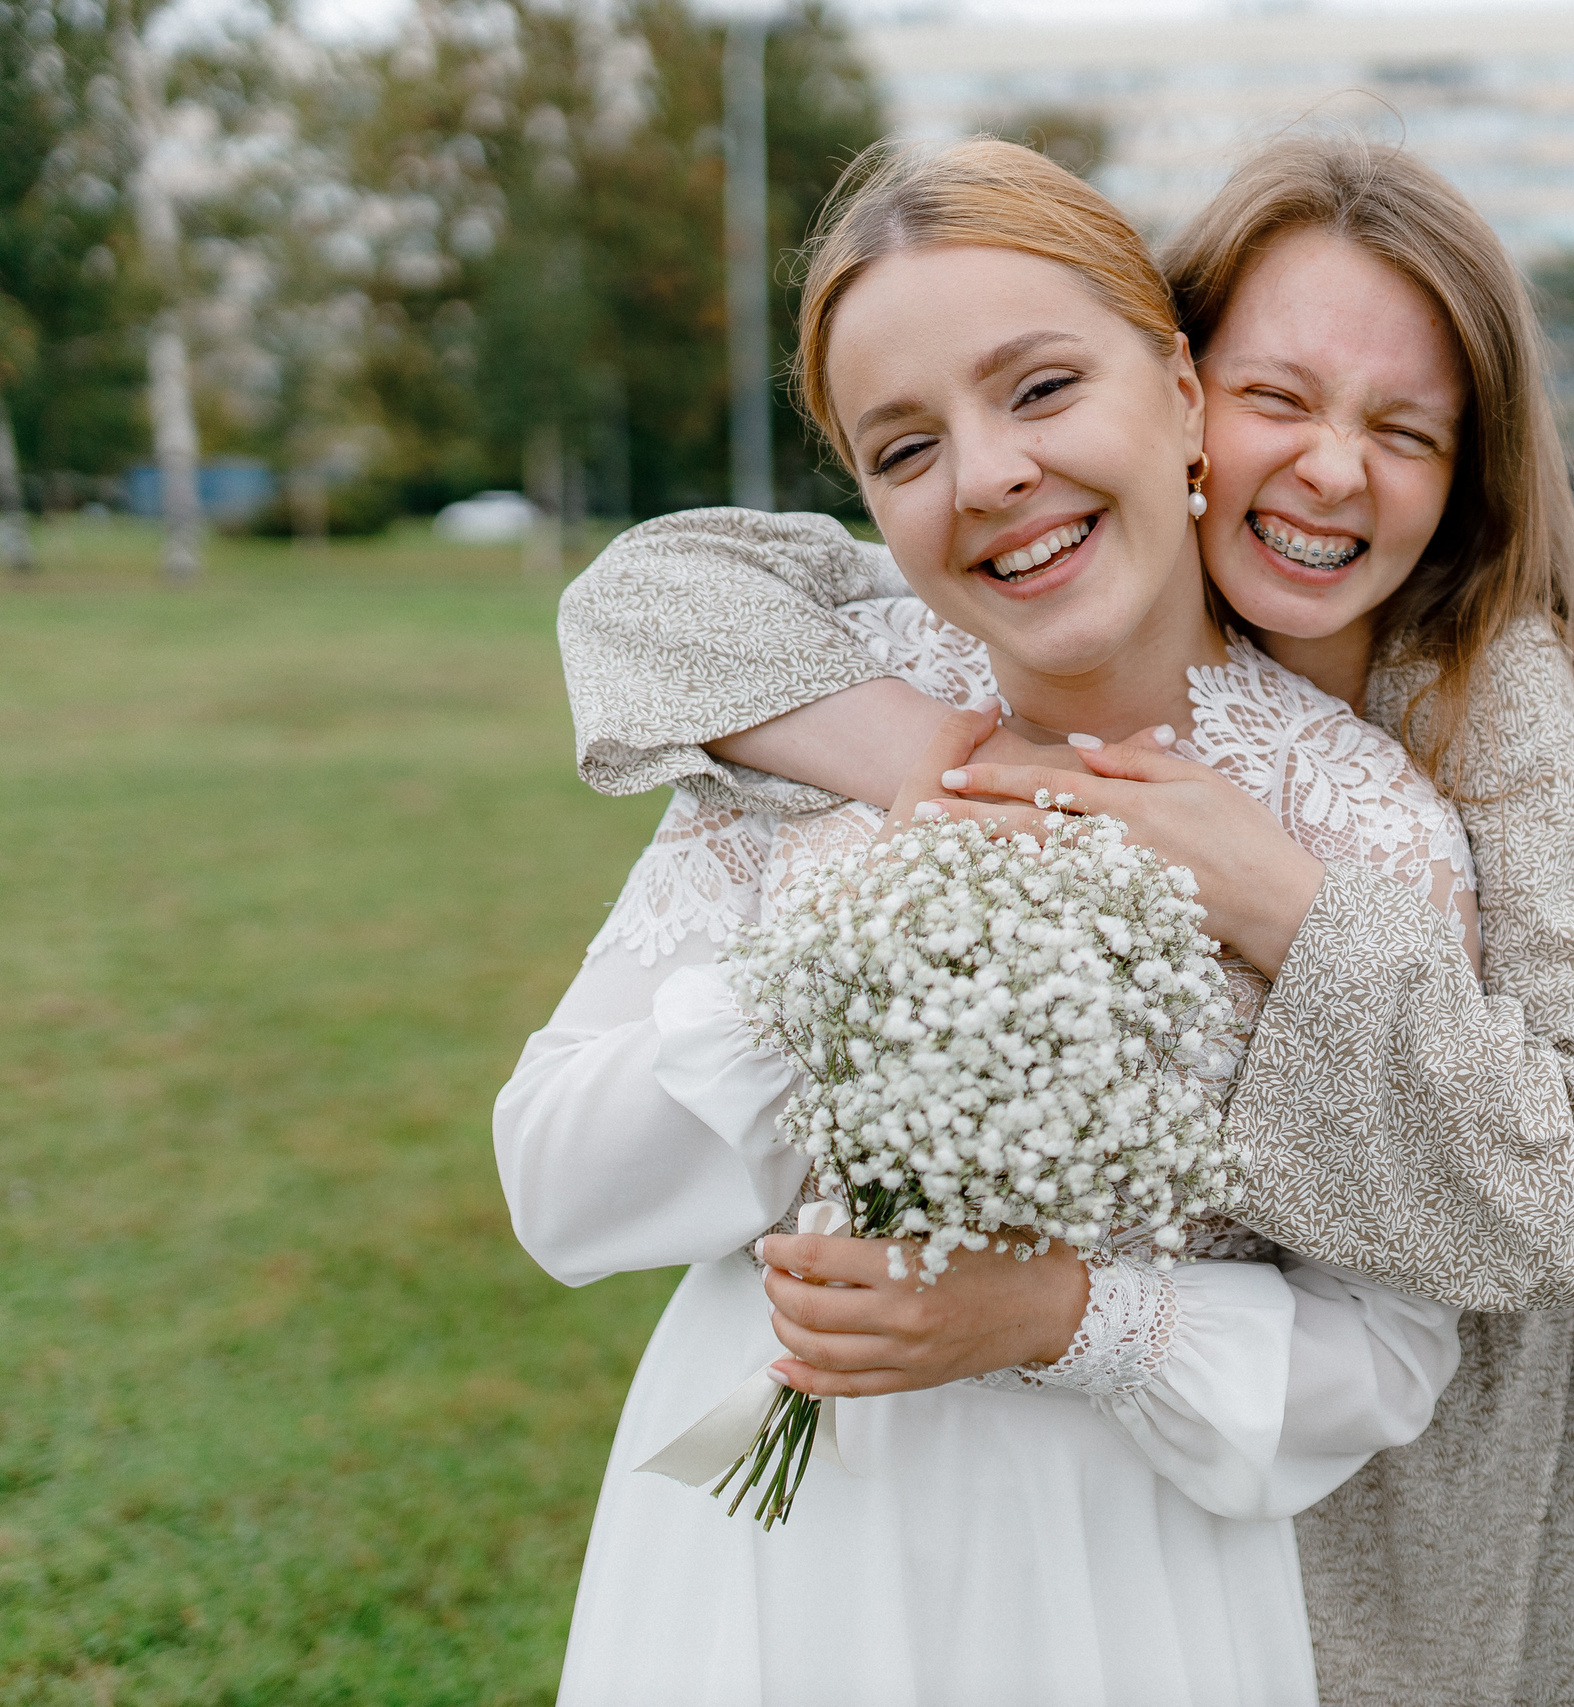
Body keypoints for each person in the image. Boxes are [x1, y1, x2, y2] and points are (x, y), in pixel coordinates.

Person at [560, 134, 1574, 1704]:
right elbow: (642, 603)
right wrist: (908, 754)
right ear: (1187, 386)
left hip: (1533, 1358)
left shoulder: (1477, 696)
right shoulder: (1019, 572)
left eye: (1406, 430)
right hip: (1192, 1381)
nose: (1327, 471)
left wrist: (1288, 903)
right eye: (1281, 398)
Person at [495, 138, 1488, 1707]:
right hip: (758, 1562)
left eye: (1039, 390)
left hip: (1113, 1590)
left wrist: (1054, 1312)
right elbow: (557, 1189)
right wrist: (849, 959)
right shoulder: (810, 735)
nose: (988, 476)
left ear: (1180, 397)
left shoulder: (1357, 837)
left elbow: (1387, 1347)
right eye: (905, 452)